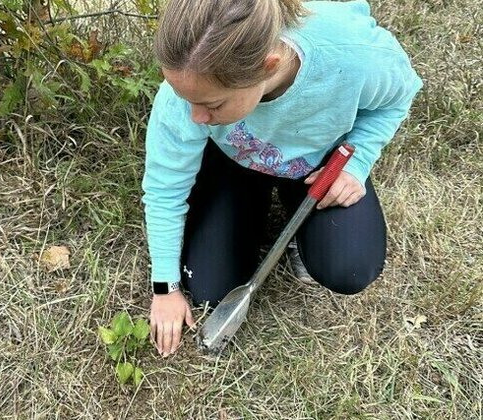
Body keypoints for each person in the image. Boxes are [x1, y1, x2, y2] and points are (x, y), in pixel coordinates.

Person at [141, 0, 422, 357]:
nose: (195, 116)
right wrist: (165, 287)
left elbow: (398, 98)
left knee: (350, 268)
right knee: (210, 289)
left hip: (313, 167)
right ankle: (247, 201)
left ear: (265, 67)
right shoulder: (190, 89)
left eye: (212, 104)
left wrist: (358, 161)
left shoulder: (352, 56)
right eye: (186, 99)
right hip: (234, 159)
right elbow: (165, 188)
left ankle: (296, 221)